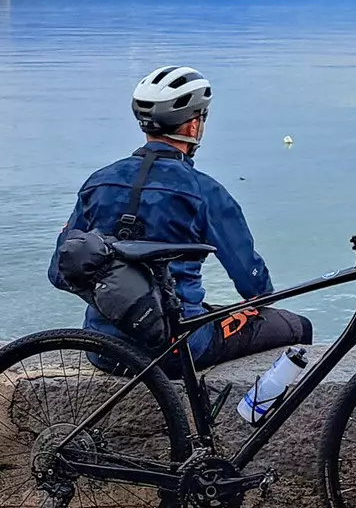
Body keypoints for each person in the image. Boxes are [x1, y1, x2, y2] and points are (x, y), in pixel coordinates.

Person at [49, 65, 310, 369]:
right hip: (176, 348)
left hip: (103, 348)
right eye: (202, 118)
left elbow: (59, 271)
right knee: (297, 326)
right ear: (191, 127)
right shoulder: (204, 191)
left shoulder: (99, 182)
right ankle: (252, 414)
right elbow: (255, 289)